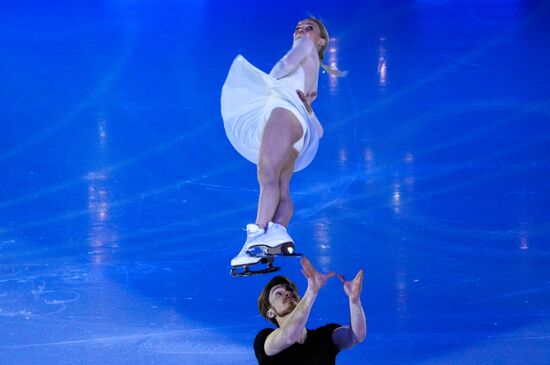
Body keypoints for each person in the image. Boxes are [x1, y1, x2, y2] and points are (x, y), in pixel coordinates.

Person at [221, 17, 345, 270]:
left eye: (309, 28)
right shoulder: (312, 71)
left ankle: (255, 241)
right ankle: (277, 232)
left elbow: (284, 64)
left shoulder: (306, 48)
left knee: (267, 176)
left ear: (320, 41)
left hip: (282, 115)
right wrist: (307, 110)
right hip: (298, 129)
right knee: (281, 184)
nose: (300, 31)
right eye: (297, 28)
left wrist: (266, 82)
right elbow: (318, 130)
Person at [254, 257, 366, 364]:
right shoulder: (264, 339)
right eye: (278, 293)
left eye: (290, 290)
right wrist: (311, 292)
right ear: (270, 312)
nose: (288, 293)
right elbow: (289, 336)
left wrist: (355, 301)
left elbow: (355, 336)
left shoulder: (325, 335)